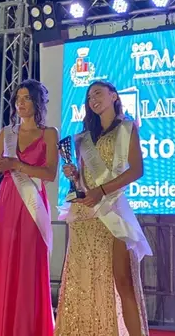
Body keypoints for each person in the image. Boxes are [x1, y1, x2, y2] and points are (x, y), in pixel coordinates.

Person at [54, 81, 152, 336]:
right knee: (85, 281)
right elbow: (83, 182)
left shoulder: (127, 128)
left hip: (112, 211)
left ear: (114, 96)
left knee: (123, 280)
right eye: (89, 97)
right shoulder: (83, 138)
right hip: (86, 215)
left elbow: (136, 170)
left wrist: (103, 190)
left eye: (97, 93)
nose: (92, 99)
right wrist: (74, 176)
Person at [0, 79, 57, 336]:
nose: (21, 102)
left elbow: (50, 173)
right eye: (18, 98)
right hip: (6, 202)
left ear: (38, 102)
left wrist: (16, 165)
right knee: (1, 262)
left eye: (27, 97)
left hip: (32, 204)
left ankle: (26, 327)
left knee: (28, 264)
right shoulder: (6, 133)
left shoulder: (49, 133)